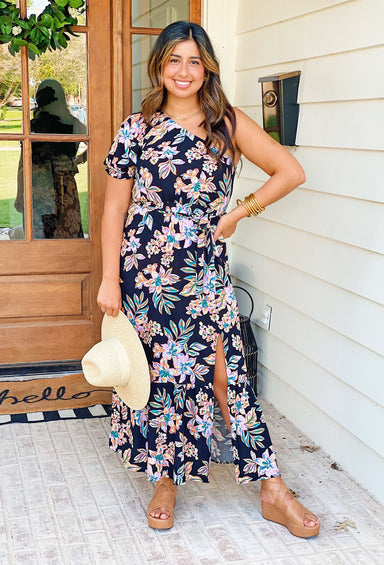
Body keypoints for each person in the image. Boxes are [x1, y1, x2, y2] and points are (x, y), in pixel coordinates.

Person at [98, 21, 320, 538]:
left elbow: (289, 171)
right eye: (174, 59)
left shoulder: (227, 122)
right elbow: (113, 211)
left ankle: (272, 488)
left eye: (194, 61)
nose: (183, 71)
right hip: (144, 276)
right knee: (156, 382)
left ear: (208, 68)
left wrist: (238, 213)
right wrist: (111, 280)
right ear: (159, 65)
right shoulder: (136, 128)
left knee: (225, 376)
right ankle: (166, 481)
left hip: (202, 274)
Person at [14, 79, 86, 239]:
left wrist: (21, 196)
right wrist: (78, 160)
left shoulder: (32, 126)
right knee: (69, 238)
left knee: (40, 243)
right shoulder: (75, 125)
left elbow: (23, 164)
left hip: (39, 190)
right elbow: (98, 145)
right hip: (65, 190)